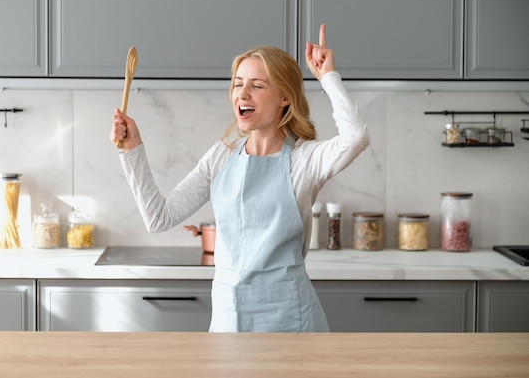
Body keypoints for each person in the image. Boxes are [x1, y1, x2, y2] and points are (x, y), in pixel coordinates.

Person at [111, 25, 370, 332]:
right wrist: (132, 149)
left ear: (285, 98)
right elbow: (159, 217)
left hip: (291, 323)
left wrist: (328, 77)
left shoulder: (304, 161)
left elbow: (356, 137)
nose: (243, 93)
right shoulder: (221, 156)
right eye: (237, 84)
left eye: (257, 86)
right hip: (228, 322)